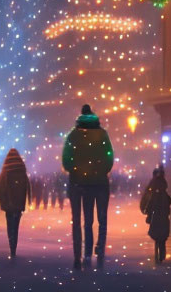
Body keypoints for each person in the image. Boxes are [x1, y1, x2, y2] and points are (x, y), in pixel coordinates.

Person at [62, 104, 113, 269]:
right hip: (99, 183)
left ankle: (81, 254)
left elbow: (66, 160)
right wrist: (100, 171)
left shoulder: (73, 136)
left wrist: (76, 171)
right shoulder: (102, 134)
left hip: (78, 183)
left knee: (79, 221)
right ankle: (99, 250)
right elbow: (109, 157)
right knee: (100, 219)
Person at [0, 148, 31, 258]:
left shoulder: (5, 171)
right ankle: (14, 246)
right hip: (19, 203)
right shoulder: (22, 171)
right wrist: (28, 199)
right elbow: (27, 186)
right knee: (16, 226)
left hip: (8, 204)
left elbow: (0, 187)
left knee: (9, 225)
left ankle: (12, 247)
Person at [139, 167, 171, 264]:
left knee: (156, 232)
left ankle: (159, 251)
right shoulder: (164, 186)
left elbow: (146, 200)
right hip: (162, 214)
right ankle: (161, 251)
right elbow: (169, 200)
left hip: (155, 213)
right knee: (162, 234)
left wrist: (145, 210)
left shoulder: (152, 186)